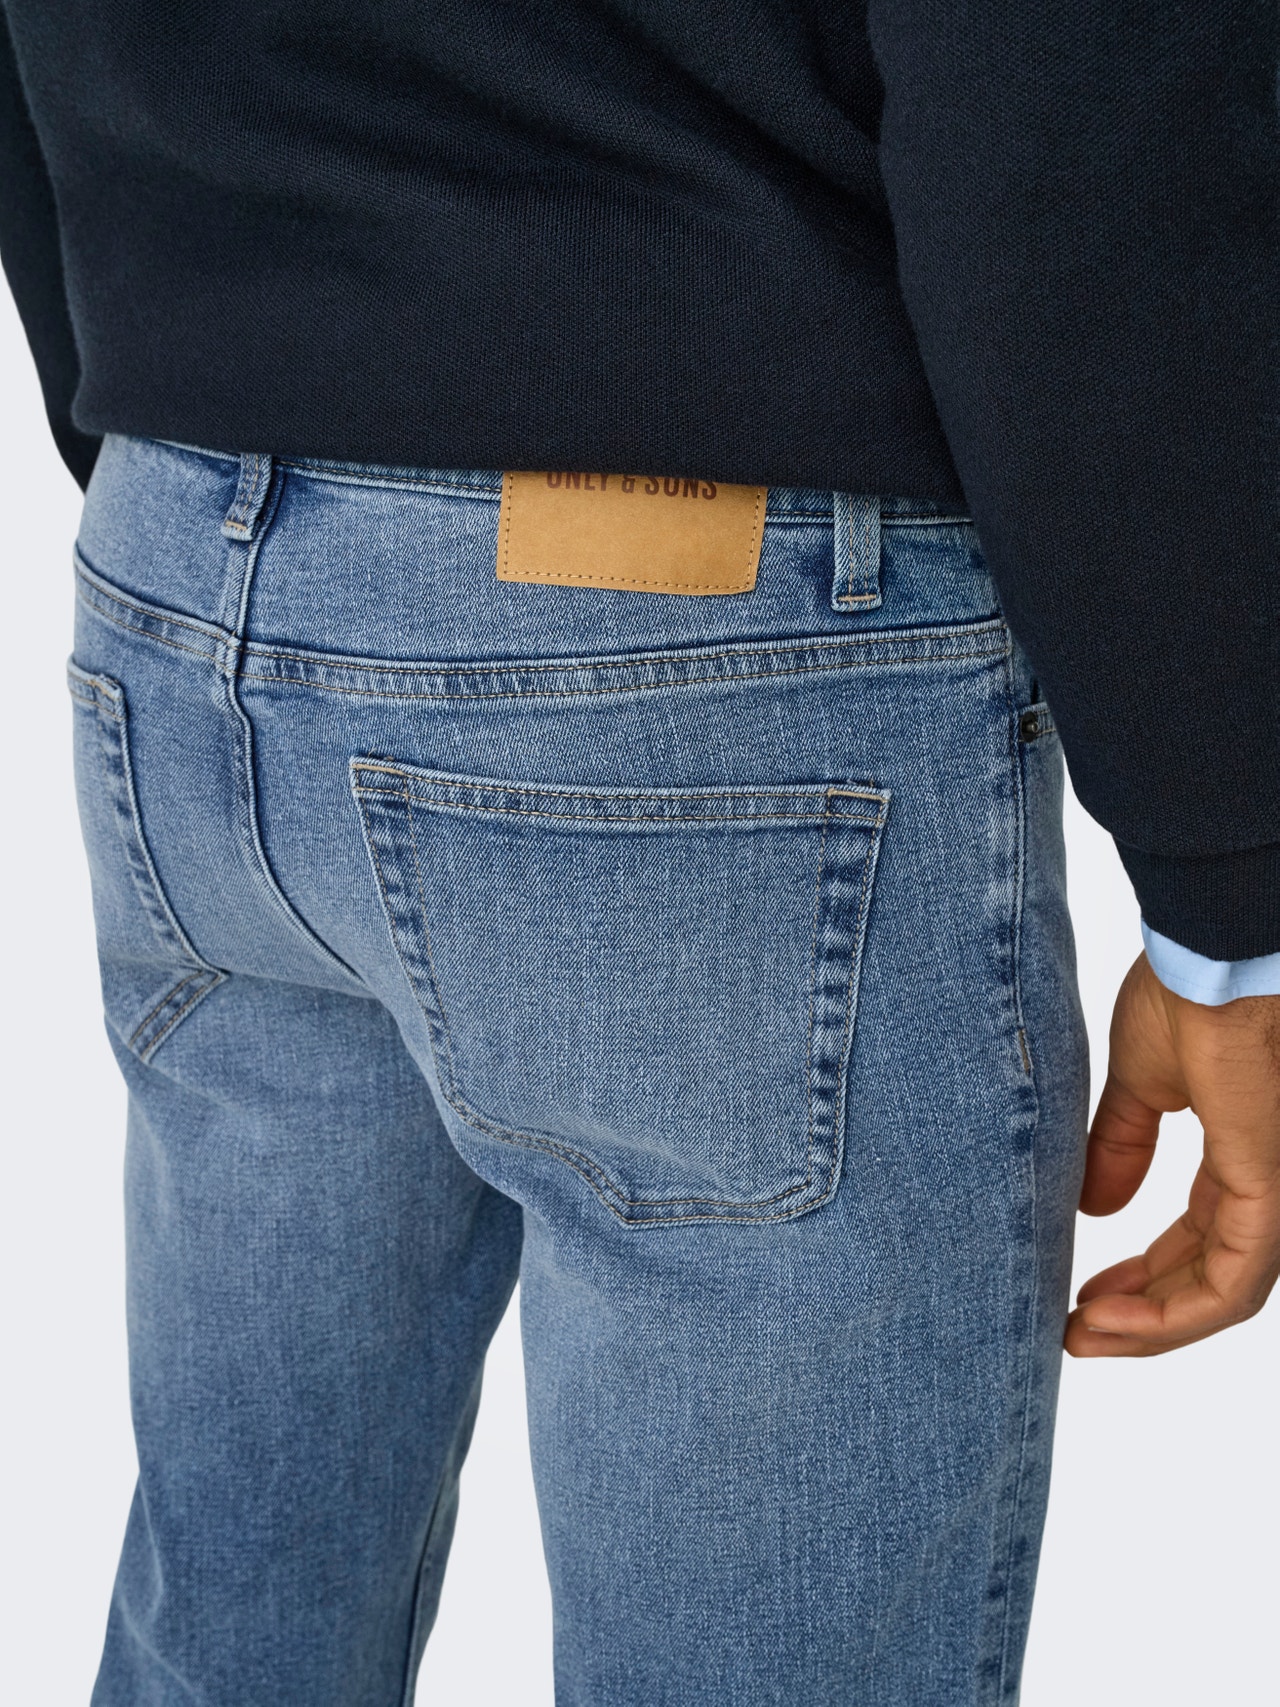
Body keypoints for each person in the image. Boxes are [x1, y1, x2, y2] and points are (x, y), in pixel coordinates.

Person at [2, 4, 1275, 1703]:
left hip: (185, 551)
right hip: (699, 629)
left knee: (236, 1627)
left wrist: (184, 408)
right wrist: (1226, 873)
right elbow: (1076, 118)